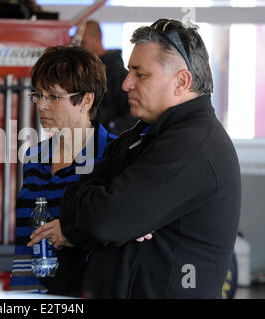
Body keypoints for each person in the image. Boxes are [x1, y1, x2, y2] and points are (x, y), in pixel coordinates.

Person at [32, 19, 241, 298]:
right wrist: (115, 220)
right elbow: (75, 199)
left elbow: (103, 221)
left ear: (181, 82)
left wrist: (99, 222)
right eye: (130, 72)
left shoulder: (193, 148)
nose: (126, 84)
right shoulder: (144, 135)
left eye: (140, 74)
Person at [9, 45, 118, 297]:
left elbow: (121, 231)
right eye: (38, 95)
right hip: (28, 293)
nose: (42, 105)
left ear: (86, 100)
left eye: (54, 97)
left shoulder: (112, 155)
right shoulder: (34, 157)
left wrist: (73, 232)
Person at [81, 20, 138, 135]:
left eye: (83, 43)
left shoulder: (116, 72)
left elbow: (134, 111)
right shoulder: (86, 71)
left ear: (97, 37)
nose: (80, 47)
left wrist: (111, 129)